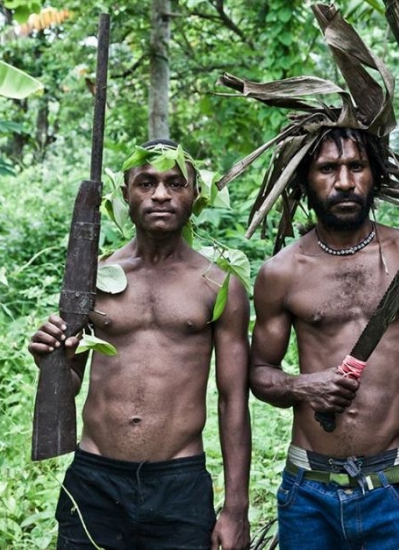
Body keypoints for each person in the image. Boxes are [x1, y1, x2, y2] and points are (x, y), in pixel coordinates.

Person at [250, 127, 399, 550]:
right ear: (305, 180)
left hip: (396, 485)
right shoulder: (282, 273)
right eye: (327, 169)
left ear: (375, 175)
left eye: (356, 166)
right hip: (308, 492)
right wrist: (303, 386)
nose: (344, 181)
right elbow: (260, 373)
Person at [28, 139, 251, 550]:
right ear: (125, 194)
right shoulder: (94, 277)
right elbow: (70, 381)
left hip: (179, 483)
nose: (161, 194)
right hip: (95, 479)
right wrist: (52, 359)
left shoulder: (219, 285)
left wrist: (236, 509)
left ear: (195, 194)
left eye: (175, 183)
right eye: (146, 183)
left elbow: (233, 400)